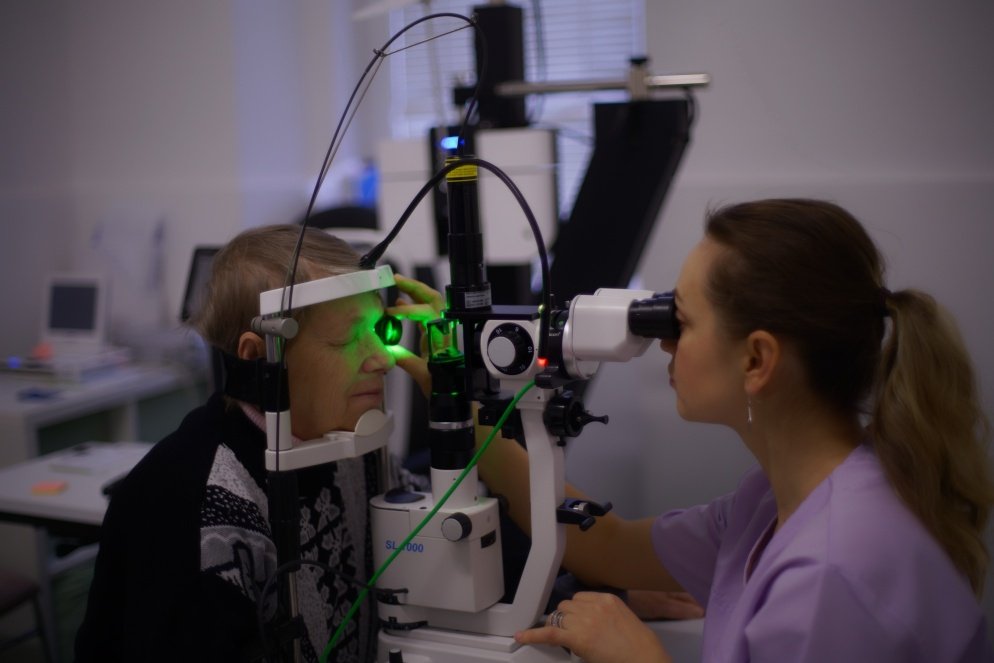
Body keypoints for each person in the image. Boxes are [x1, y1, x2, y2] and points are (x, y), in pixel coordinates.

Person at [478, 199, 994, 662]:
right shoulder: (772, 504)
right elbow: (608, 546)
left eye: (680, 321)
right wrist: (464, 414)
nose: (664, 344)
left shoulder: (830, 575)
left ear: (756, 360)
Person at [75, 225, 437, 662]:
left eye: (380, 330)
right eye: (345, 339)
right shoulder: (200, 504)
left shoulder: (348, 441)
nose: (382, 359)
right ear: (260, 357)